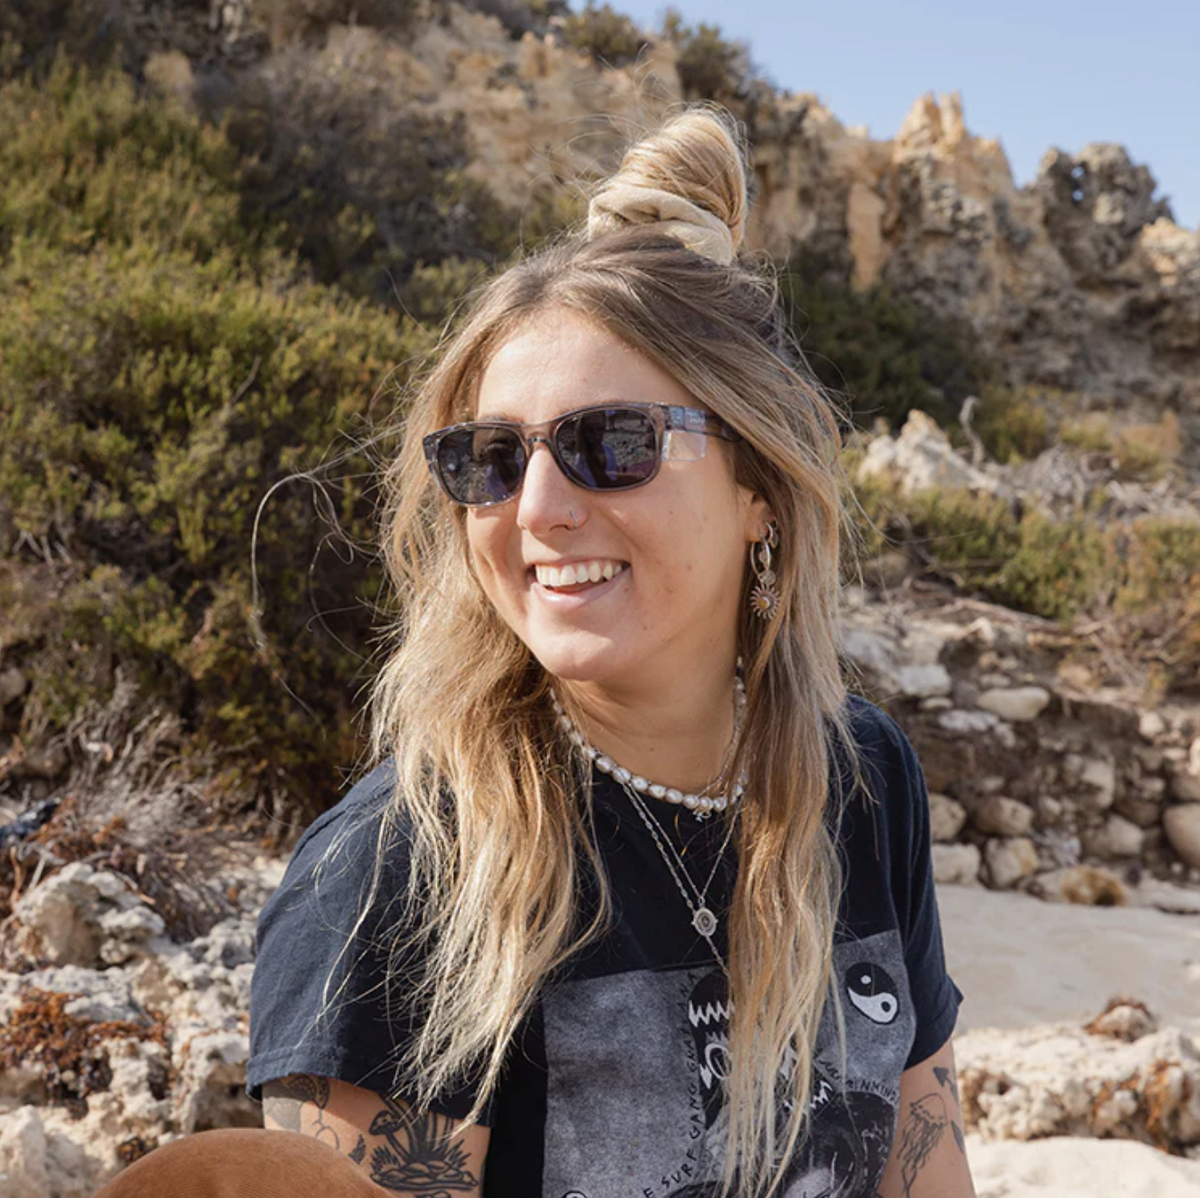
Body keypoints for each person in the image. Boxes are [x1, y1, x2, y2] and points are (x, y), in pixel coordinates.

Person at [95, 107, 974, 1198]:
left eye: (614, 442)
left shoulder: (862, 778)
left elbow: (926, 1167)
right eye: (493, 457)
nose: (540, 508)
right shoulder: (396, 875)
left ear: (760, 486)